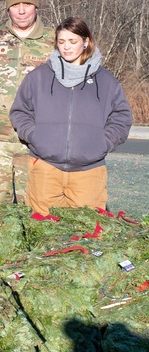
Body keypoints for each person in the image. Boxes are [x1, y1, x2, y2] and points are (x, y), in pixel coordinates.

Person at [9, 17, 132, 216]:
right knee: (43, 232)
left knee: (86, 234)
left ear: (86, 42)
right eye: (61, 42)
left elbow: (121, 117)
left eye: (72, 41)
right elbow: (20, 111)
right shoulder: (38, 77)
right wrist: (34, 136)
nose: (66, 47)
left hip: (89, 172)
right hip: (45, 169)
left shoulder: (106, 81)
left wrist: (103, 143)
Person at [0, 0, 56, 203]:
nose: (21, 11)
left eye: (27, 4)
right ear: (8, 8)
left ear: (36, 6)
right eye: (15, 5)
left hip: (36, 141)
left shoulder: (55, 41)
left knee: (37, 210)